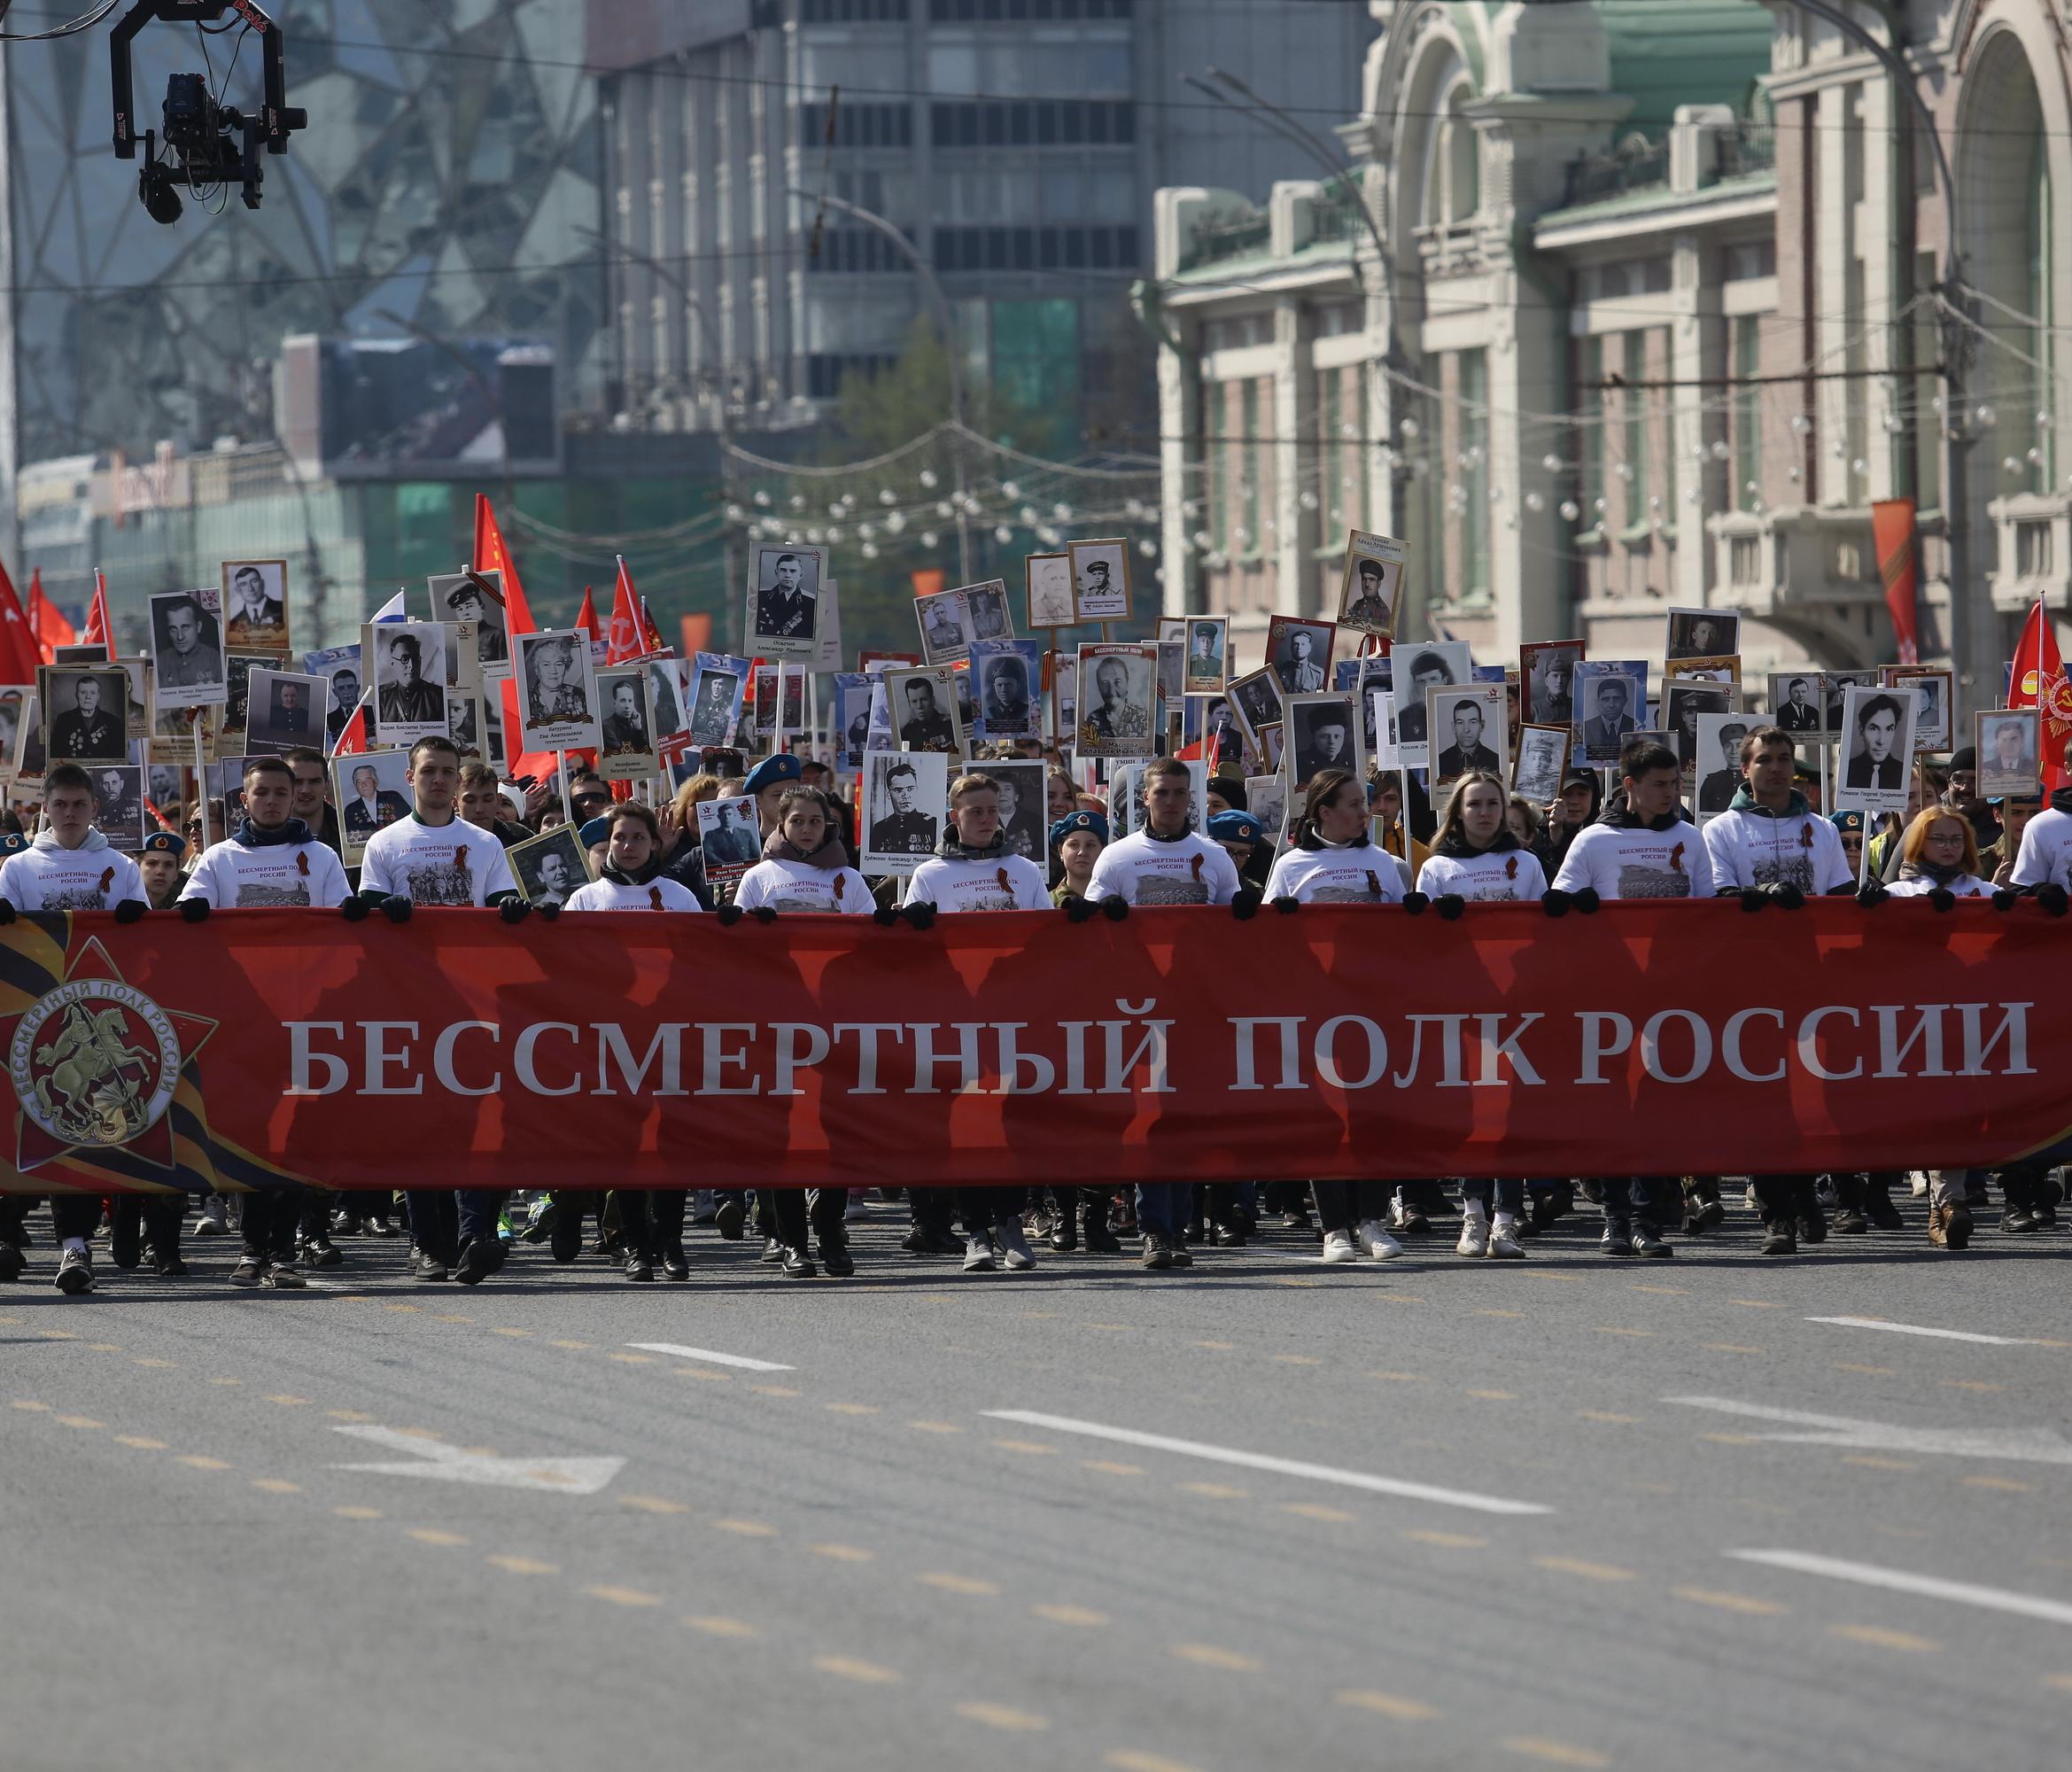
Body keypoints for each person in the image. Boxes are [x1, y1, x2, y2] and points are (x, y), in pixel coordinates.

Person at [359, 735, 524, 1286]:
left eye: (448, 772)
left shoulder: (485, 843)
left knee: (475, 1119)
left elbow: (498, 900)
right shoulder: (384, 843)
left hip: (472, 1001)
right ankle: (427, 1243)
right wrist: (386, 909)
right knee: (423, 1124)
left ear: (459, 780)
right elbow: (365, 911)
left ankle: (475, 1234)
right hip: (410, 1001)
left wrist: (510, 907)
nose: (438, 780)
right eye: (429, 771)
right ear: (410, 777)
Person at [1697, 727, 1856, 1254]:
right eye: (1765, 760)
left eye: (1785, 759)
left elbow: (1838, 896)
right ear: (1745, 770)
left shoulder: (1822, 828)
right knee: (1764, 1099)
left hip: (1812, 977)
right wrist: (1757, 894)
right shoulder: (1720, 829)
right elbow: (1717, 897)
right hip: (1749, 981)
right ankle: (1776, 1213)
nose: (1777, 768)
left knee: (1816, 1095)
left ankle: (1808, 1195)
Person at [1081, 758, 1238, 1268]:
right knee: (1150, 1117)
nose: (1170, 801)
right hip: (1138, 1009)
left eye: (1178, 793)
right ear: (1144, 799)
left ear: (1190, 797)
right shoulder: (1118, 857)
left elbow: (1241, 930)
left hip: (1196, 1006)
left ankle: (1179, 1227)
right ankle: (1154, 1229)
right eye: (1161, 793)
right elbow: (1086, 929)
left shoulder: (1212, 856)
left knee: (1185, 1118)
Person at [0, 765, 149, 1294]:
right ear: (45, 807)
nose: (68, 814)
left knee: (82, 1131)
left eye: (78, 804)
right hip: (32, 1022)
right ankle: (9, 1228)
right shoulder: (17, 868)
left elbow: (151, 947)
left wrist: (138, 917)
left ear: (94, 808)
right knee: (22, 1122)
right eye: (59, 804)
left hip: (97, 1015)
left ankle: (76, 1246)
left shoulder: (121, 867)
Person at [903, 773, 1052, 1273]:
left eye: (993, 811)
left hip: (1011, 1016)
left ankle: (1012, 1224)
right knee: (964, 1123)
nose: (988, 819)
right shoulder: (929, 875)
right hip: (954, 1017)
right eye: (976, 812)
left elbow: (1048, 942)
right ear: (955, 818)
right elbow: (909, 955)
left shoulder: (1025, 870)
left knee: (1008, 1121)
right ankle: (976, 1234)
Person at [1552, 738, 1691, 1258]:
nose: (1670, 794)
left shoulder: (1690, 838)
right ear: (1629, 786)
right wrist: (1575, 906)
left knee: (1656, 1108)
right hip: (1607, 995)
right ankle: (1614, 1215)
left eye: (1675, 783)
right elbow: (1555, 908)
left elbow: (1708, 912)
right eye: (1659, 785)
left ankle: (1648, 1220)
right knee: (1612, 1106)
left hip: (1669, 995)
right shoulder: (1593, 841)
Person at [730, 786, 868, 1276]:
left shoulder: (849, 879)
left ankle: (830, 1229)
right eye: (798, 821)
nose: (807, 828)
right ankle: (792, 1241)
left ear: (828, 826)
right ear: (780, 825)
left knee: (833, 1129)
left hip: (835, 1022)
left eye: (816, 821)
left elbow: (872, 950)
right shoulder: (758, 878)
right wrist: (747, 929)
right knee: (782, 1132)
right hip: (775, 1022)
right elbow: (733, 957)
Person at [1416, 772, 1549, 1258]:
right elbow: (1424, 945)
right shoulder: (1437, 869)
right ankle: (1473, 1214)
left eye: (1493, 803)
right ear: (1458, 812)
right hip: (1463, 1006)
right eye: (1475, 804)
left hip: (1515, 1005)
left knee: (1511, 1112)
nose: (1486, 813)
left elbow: (1540, 935)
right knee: (1475, 1112)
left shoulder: (1526, 862)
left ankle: (1506, 1221)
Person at [1264, 767, 1403, 907]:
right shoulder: (1288, 866)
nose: (1364, 813)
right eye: (1354, 805)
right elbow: (1267, 925)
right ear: (1325, 813)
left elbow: (1403, 923)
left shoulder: (1382, 859)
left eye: (1362, 804)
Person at [1885, 806, 1994, 900]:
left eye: (1956, 839)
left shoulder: (1988, 892)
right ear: (1920, 843)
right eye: (1939, 839)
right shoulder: (1897, 893)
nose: (1949, 847)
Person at [869, 758, 937, 855]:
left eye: (910, 789)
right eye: (898, 790)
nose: (905, 795)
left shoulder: (932, 824)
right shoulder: (880, 828)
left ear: (916, 790)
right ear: (888, 794)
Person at [379, 632, 445, 727]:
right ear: (393, 663)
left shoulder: (437, 695)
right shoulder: (382, 695)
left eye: (416, 658)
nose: (412, 665)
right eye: (404, 659)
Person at [156, 595, 219, 692]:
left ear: (198, 627)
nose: (180, 637)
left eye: (185, 627)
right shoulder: (159, 662)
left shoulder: (215, 659)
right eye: (173, 629)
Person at [50, 675, 121, 761]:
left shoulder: (113, 722)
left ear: (98, 696)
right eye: (83, 692)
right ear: (77, 695)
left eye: (93, 693)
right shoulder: (63, 720)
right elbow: (56, 754)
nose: (88, 697)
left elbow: (119, 757)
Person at [445, 574, 508, 666]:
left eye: (469, 606)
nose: (465, 613)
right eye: (459, 609)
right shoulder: (454, 641)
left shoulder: (498, 635)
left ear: (482, 607)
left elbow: (505, 670)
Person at [1844, 693, 1904, 790]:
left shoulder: (1904, 773)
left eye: (1889, 729)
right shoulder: (1847, 770)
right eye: (1874, 729)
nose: (1881, 741)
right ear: (1861, 730)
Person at [525, 636, 589, 725]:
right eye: (546, 665)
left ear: (566, 668)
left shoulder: (579, 695)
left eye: (559, 664)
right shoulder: (526, 699)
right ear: (537, 669)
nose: (553, 671)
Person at [1049, 808, 1106, 905]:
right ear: (1060, 851)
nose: (1082, 852)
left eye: (1090, 845)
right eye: (1074, 845)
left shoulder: (1114, 903)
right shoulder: (1045, 903)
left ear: (1103, 851)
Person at [1394, 650, 1452, 744]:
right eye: (1421, 681)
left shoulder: (1459, 712)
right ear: (1416, 684)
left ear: (1444, 681)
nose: (1427, 686)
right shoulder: (1404, 718)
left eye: (1433, 679)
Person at [342, 763, 408, 843]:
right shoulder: (351, 810)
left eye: (367, 780)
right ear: (355, 786)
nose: (363, 785)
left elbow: (408, 823)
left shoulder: (393, 798)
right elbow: (349, 839)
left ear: (375, 782)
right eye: (359, 782)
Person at [757, 553, 816, 641]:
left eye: (793, 571)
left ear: (801, 575)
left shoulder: (811, 603)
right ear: (776, 572)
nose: (788, 575)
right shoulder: (760, 597)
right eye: (783, 570)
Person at [1696, 719, 1750, 815]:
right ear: (1723, 750)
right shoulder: (1711, 783)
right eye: (1729, 746)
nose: (1734, 751)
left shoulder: (1754, 782)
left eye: (1739, 745)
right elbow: (1702, 817)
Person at [1086, 656, 1146, 741]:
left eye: (1117, 682)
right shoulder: (1093, 718)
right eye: (1104, 683)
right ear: (1099, 687)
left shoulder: (1142, 716)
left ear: (1127, 683)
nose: (1112, 691)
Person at [1435, 698, 1498, 780]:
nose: (1466, 729)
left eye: (1473, 722)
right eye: (1460, 722)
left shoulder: (1496, 761)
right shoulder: (1440, 761)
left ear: (1482, 725)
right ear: (1454, 727)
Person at [1581, 672, 1637, 757]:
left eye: (1616, 698)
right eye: (1605, 699)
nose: (1611, 705)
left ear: (1625, 701)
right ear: (1598, 702)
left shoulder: (1635, 726)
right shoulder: (1587, 727)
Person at [227, 563, 285, 640]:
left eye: (254, 581)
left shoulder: (283, 609)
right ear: (238, 591)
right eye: (243, 584)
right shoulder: (234, 623)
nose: (250, 588)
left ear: (262, 583)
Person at [898, 675, 956, 750]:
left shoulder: (950, 725)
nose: (919, 706)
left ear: (933, 700)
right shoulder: (907, 732)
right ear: (909, 704)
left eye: (924, 699)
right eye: (914, 701)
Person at [136, 828, 186, 910]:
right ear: (138, 867)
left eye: (168, 865)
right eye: (152, 863)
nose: (160, 871)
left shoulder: (184, 904)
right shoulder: (123, 897)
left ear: (176, 873)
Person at [982, 658, 1031, 732]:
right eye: (999, 685)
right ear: (994, 686)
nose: (1003, 690)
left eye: (1008, 685)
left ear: (1017, 686)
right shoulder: (990, 711)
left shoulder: (1026, 710)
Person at [689, 672, 739, 745]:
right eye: (715, 683)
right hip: (696, 743)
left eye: (720, 684)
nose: (717, 687)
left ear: (724, 688)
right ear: (711, 685)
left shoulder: (730, 706)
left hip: (719, 746)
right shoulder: (698, 704)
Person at [601, 678, 648, 754]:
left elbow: (646, 753)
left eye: (630, 701)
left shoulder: (635, 724)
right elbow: (622, 755)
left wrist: (638, 728)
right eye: (623, 700)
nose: (627, 706)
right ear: (614, 703)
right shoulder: (606, 726)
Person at [1343, 556, 1391, 628]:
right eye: (1364, 579)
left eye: (1371, 579)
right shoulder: (1357, 605)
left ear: (1379, 584)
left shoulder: (1383, 612)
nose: (1367, 584)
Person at [1277, 626, 1325, 694]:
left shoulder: (1318, 674)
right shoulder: (1280, 670)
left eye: (1303, 644)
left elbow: (1321, 699)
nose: (1299, 648)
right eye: (1296, 644)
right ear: (1291, 647)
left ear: (1309, 648)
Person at [326, 667, 361, 746]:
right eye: (341, 688)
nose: (346, 692)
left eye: (350, 686)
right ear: (335, 692)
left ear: (357, 688)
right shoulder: (329, 719)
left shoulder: (371, 712)